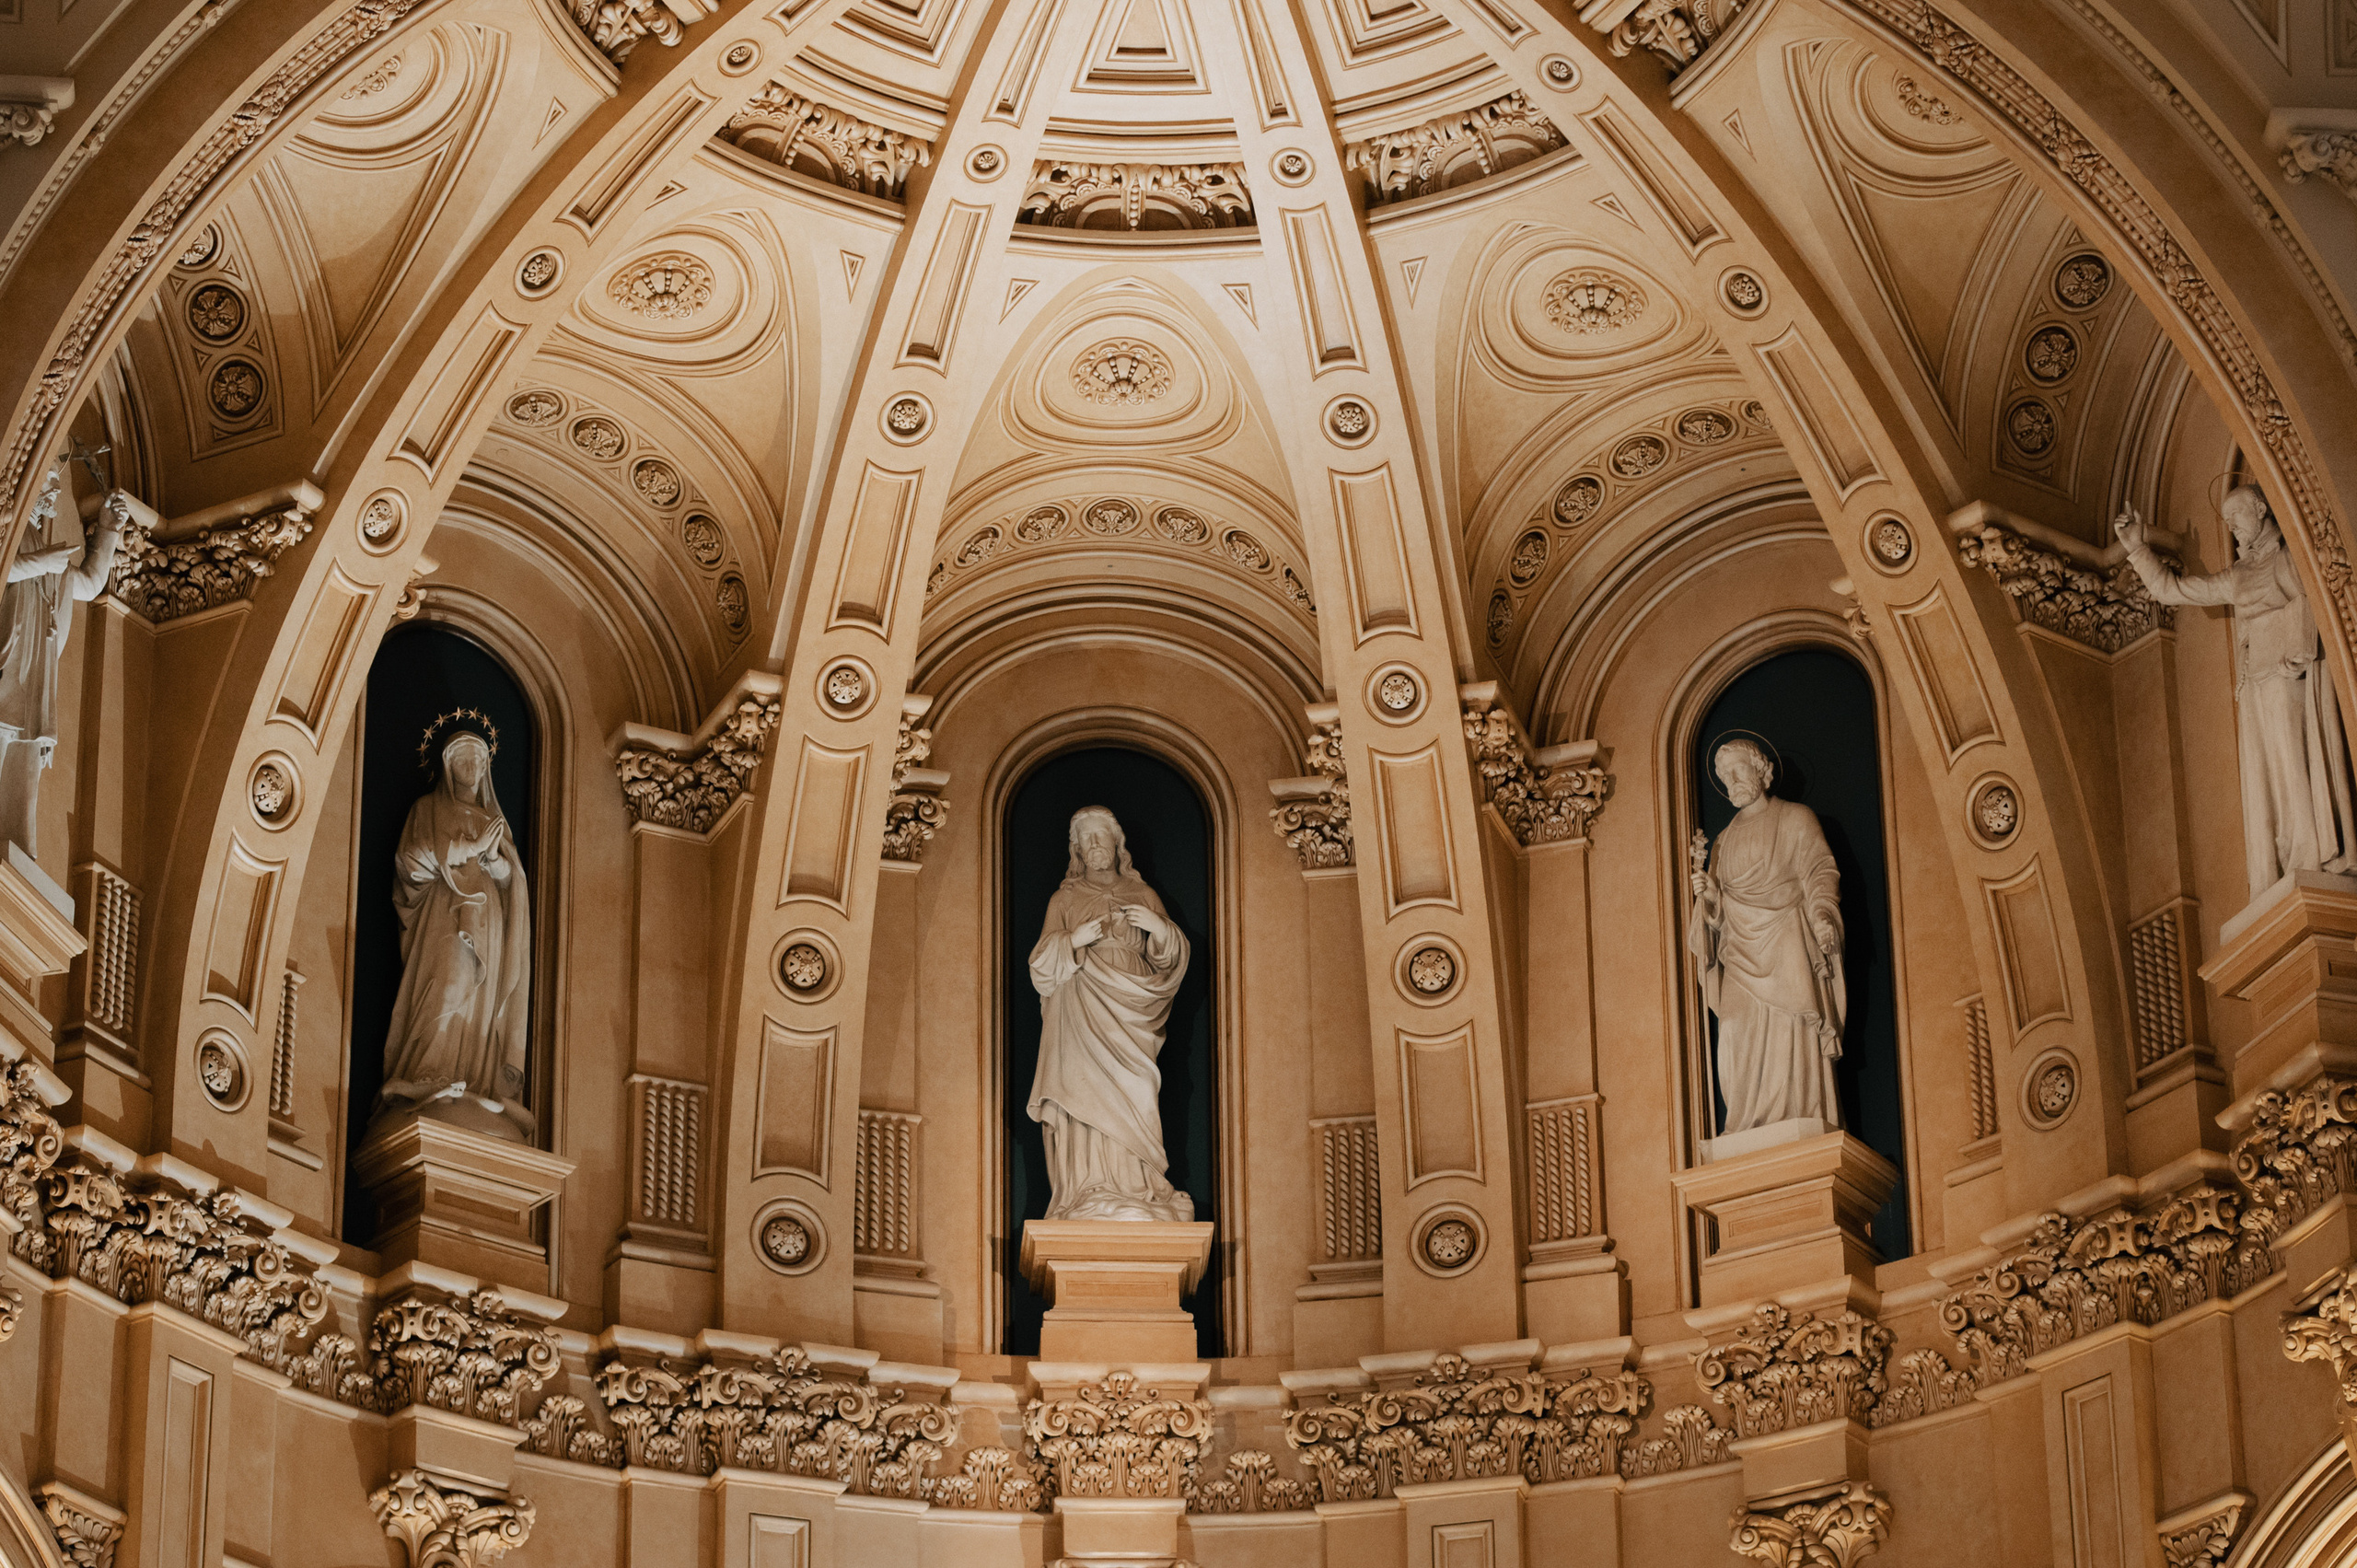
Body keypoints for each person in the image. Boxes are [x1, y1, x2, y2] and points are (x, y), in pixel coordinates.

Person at [2118, 487, 2354, 897]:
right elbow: (2173, 590)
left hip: (2290, 671)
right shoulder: (2239, 576)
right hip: (2255, 680)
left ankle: (2311, 854)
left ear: (2261, 508)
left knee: (2294, 761)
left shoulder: (2293, 556)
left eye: (2236, 515)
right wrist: (2138, 550)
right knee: (2266, 776)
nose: (2232, 526)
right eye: (2226, 521)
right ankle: (2281, 866)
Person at [1026, 805, 1193, 1221]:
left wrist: (1158, 929)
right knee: (1085, 1091)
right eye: (1088, 839)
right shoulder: (1064, 899)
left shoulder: (1144, 895)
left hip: (1133, 1009)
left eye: (1102, 836)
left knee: (1136, 1086)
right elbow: (1041, 967)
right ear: (1078, 850)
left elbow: (1172, 960)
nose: (1096, 845)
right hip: (1081, 1007)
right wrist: (1073, 939)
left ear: (1118, 845)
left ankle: (1141, 1186)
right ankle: (1089, 1188)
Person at [374, 726, 534, 1142]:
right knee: (447, 985)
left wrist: (497, 860)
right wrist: (466, 848)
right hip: (445, 920)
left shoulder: (495, 821)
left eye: (479, 760)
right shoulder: (426, 810)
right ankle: (426, 1072)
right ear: (448, 766)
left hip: (489, 922)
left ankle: (473, 1079)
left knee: (480, 1003)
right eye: (464, 759)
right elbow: (410, 863)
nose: (473, 766)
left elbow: (512, 882)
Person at [1688, 738, 1846, 1134]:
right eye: (1724, 776)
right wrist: (1710, 899)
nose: (1731, 781)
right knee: (1735, 1033)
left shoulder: (1796, 819)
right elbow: (1720, 913)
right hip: (1740, 952)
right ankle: (1747, 1122)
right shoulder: (1722, 842)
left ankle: (1800, 1113)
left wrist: (1824, 916)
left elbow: (1819, 873)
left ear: (1760, 769)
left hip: (1787, 941)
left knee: (1791, 1032)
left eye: (1738, 770)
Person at [0, 464, 123, 855]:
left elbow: (88, 583)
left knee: (30, 747)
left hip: (35, 665)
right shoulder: (9, 527)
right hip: (11, 654)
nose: (53, 493)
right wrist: (43, 564)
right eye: (48, 482)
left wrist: (107, 531)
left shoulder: (38, 540)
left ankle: (20, 842)